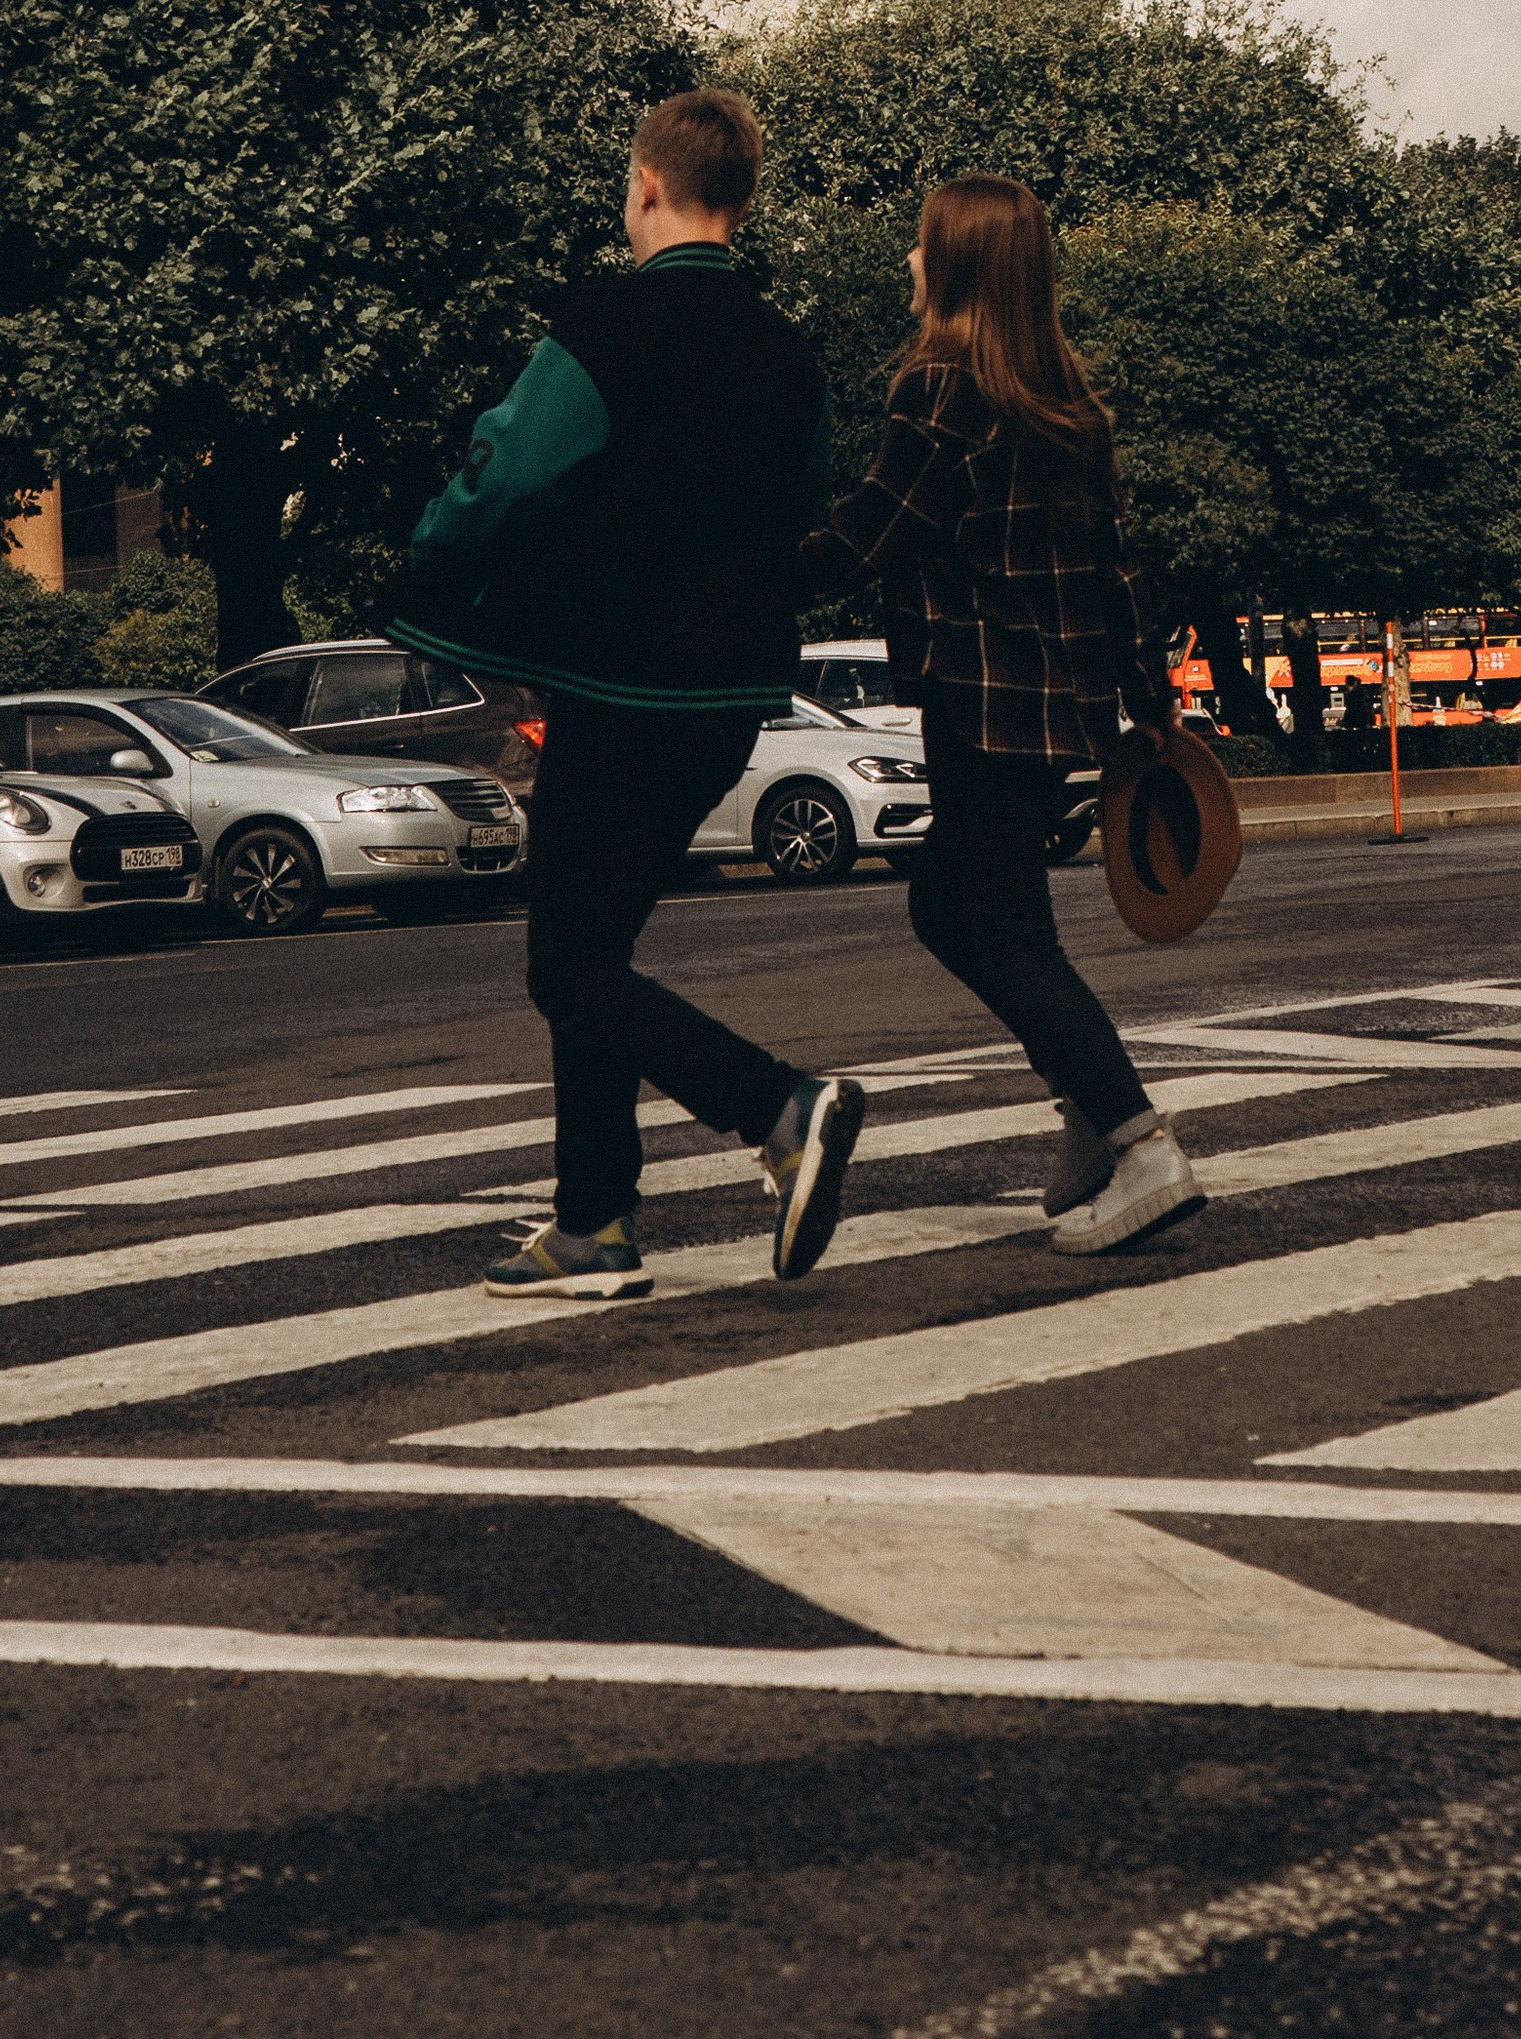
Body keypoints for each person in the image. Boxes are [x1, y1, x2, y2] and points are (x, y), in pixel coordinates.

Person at [392, 88, 865, 1300]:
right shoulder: (786, 348)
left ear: (645, 186)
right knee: (589, 948)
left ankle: (775, 1105)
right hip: (731, 694)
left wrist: (430, 557)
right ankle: (591, 1220)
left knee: (568, 967)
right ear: (741, 198)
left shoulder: (606, 323)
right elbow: (804, 507)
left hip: (616, 682)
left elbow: (508, 465)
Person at [808, 174, 1206, 1256]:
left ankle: (1136, 1138)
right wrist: (1146, 697)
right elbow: (1115, 567)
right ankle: (1086, 1110)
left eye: (920, 246)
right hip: (1055, 709)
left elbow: (867, 532)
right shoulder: (1068, 408)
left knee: (972, 918)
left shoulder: (939, 391)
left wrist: (713, 584)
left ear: (961, 267)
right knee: (992, 917)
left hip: (977, 701)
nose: (907, 263)